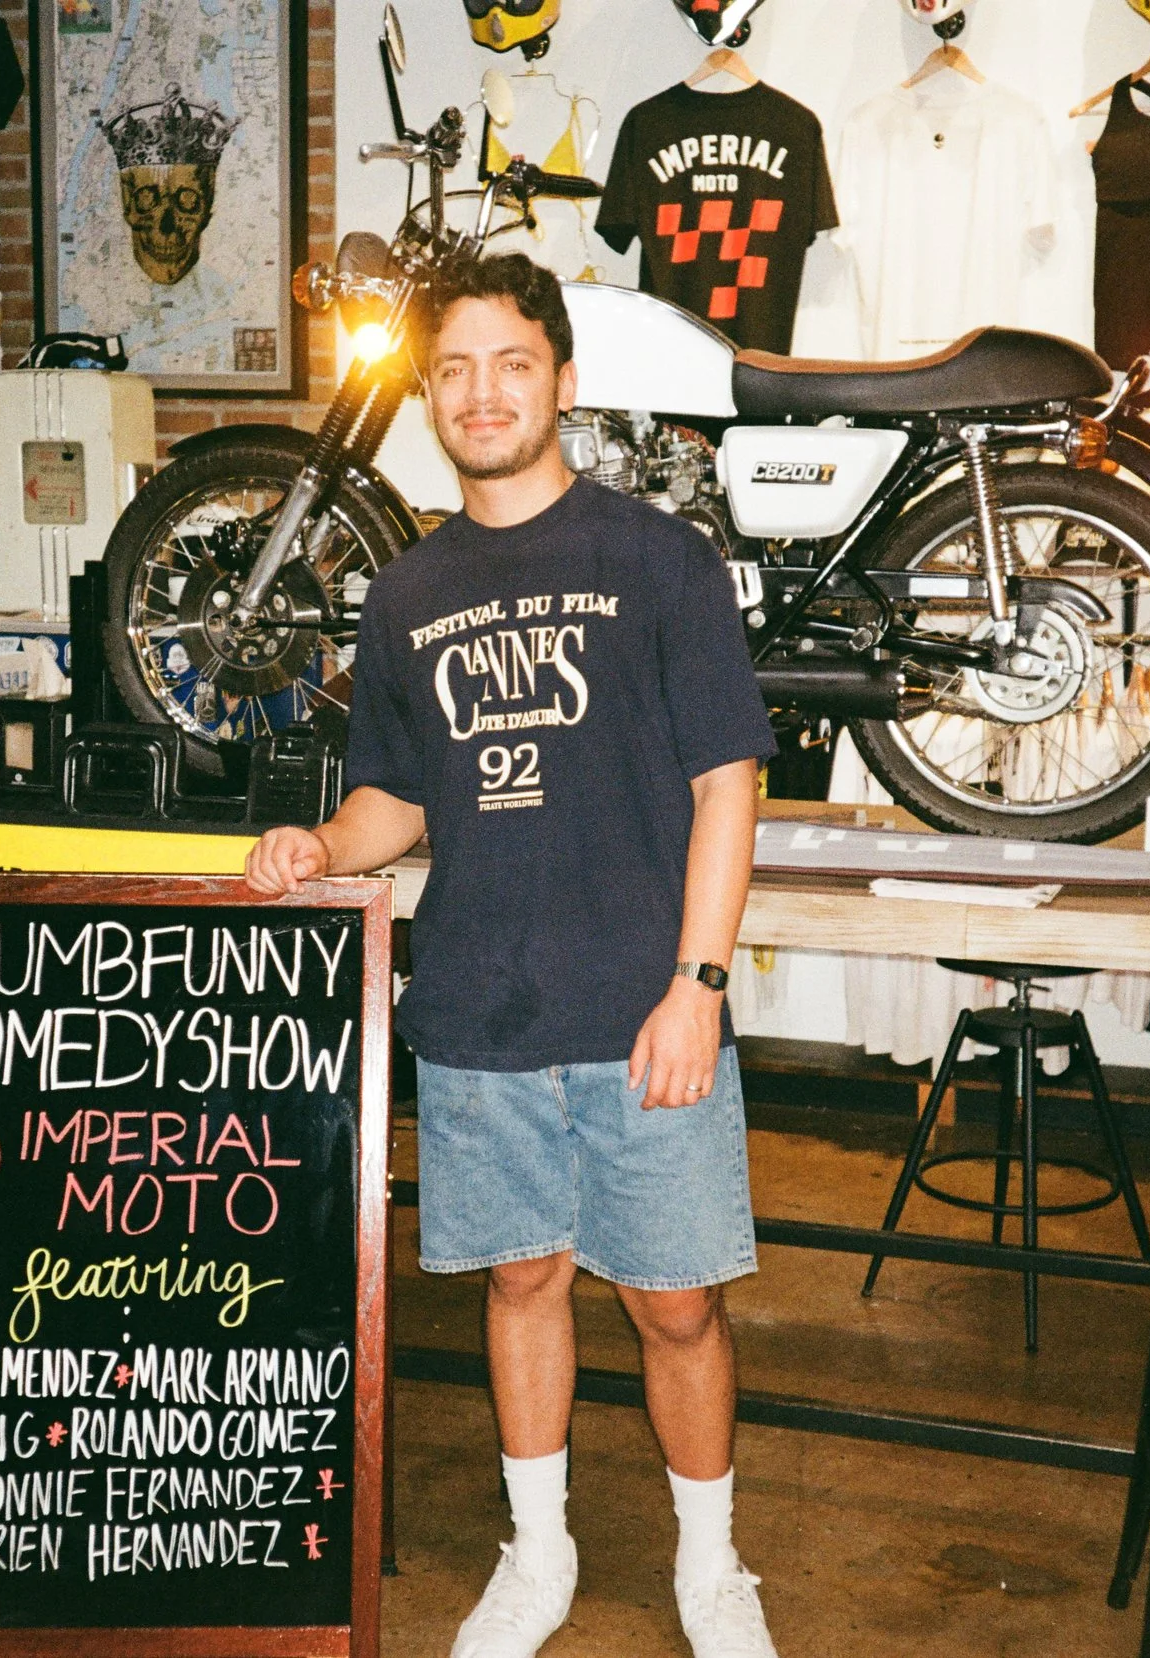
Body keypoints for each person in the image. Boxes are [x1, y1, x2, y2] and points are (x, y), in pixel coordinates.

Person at [243, 252, 780, 1658]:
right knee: (522, 1280)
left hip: (643, 1008)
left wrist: (699, 986)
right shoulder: (406, 592)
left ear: (562, 380)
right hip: (480, 1008)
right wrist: (319, 843)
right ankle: (537, 1554)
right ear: (429, 395)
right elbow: (398, 797)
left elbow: (731, 781)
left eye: (512, 363)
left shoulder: (657, 557)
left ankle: (712, 1567)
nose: (484, 393)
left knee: (678, 1305)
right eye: (456, 370)